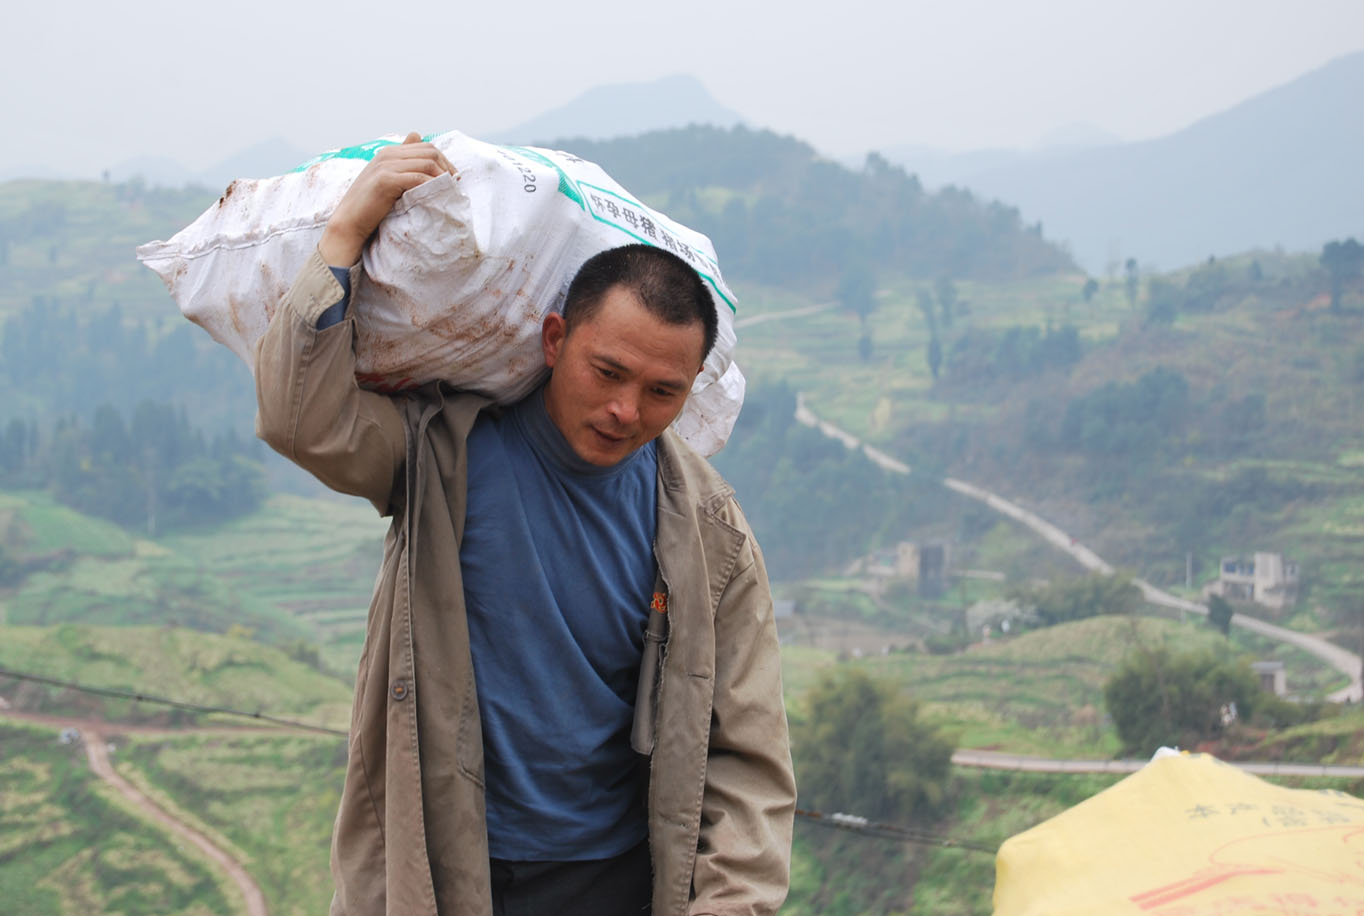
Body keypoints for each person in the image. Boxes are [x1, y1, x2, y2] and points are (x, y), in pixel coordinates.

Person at [254, 133, 796, 916]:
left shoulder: (708, 534)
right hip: (447, 863)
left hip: (613, 878)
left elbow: (749, 755)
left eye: (661, 392)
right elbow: (302, 422)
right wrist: (346, 232)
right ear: (555, 340)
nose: (625, 411)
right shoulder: (444, 456)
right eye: (607, 372)